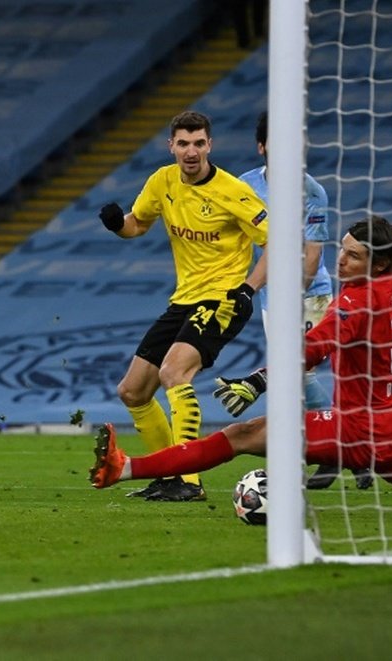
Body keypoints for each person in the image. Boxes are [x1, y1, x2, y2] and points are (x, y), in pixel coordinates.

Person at [90, 215, 392, 516]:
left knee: (242, 435)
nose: (340, 260)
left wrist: (259, 380)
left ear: (379, 265)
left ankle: (124, 468)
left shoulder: (357, 303)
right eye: (342, 249)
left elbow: (311, 349)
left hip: (360, 428)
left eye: (354, 256)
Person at [96, 110, 269, 502]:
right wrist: (115, 224)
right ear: (171, 145)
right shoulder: (162, 181)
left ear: (210, 145)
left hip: (223, 298)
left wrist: (248, 289)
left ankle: (188, 479)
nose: (191, 152)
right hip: (184, 299)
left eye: (199, 143)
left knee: (175, 373)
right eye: (183, 143)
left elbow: (274, 243)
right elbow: (136, 225)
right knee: (133, 391)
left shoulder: (233, 192)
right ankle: (165, 473)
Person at [218, 111, 373, 491]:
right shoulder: (244, 186)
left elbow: (313, 254)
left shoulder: (312, 191)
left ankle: (338, 452)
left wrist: (295, 293)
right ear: (261, 146)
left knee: (299, 373)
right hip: (271, 295)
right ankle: (345, 454)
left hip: (310, 294)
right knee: (294, 378)